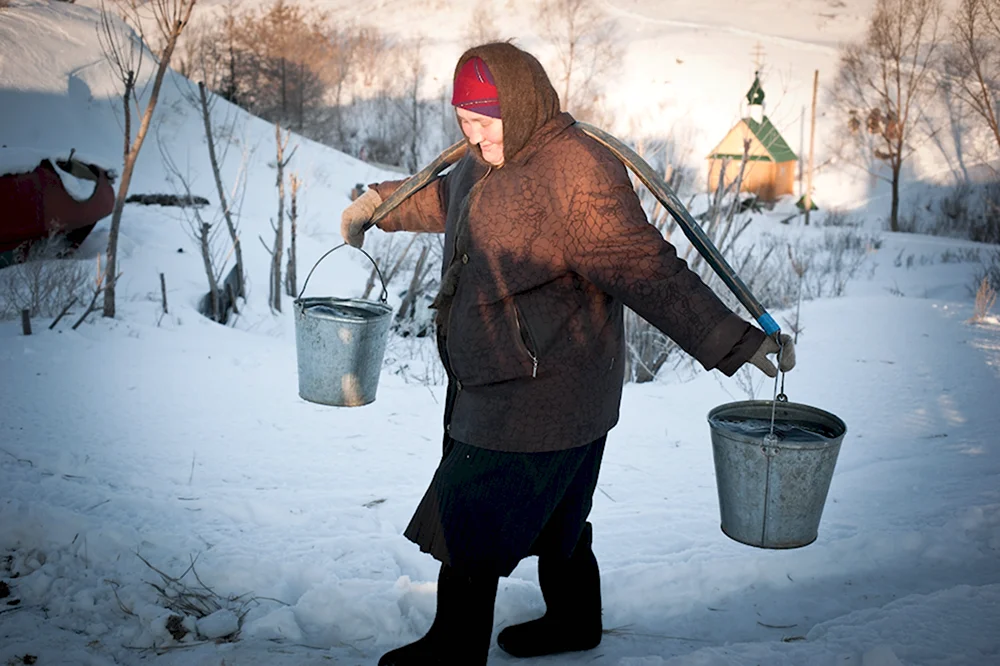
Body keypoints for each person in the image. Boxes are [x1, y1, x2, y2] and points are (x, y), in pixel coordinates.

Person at [340, 42, 795, 666]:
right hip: (516, 378)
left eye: (483, 121)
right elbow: (447, 201)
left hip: (539, 388)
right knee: (557, 516)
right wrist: (379, 205)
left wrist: (736, 341)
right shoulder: (487, 160)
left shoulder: (574, 170)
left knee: (470, 518)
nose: (473, 138)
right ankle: (575, 622)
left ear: (521, 105)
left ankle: (453, 648)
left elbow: (646, 268)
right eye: (464, 122)